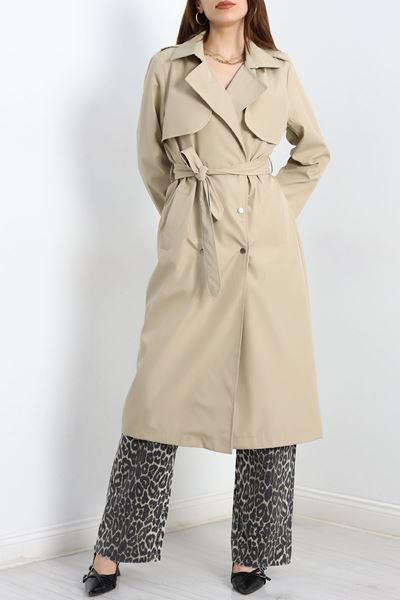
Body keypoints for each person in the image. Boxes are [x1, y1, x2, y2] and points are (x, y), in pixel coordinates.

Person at [82, 0, 330, 596]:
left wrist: (270, 213)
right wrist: (184, 219)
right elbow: (152, 161)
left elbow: (312, 152)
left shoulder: (277, 68)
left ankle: (253, 555)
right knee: (156, 395)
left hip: (264, 256)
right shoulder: (168, 66)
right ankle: (115, 547)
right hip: (194, 250)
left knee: (268, 400)